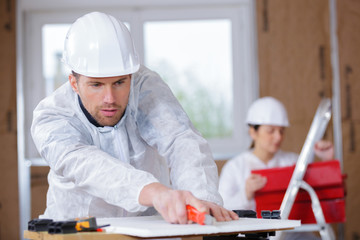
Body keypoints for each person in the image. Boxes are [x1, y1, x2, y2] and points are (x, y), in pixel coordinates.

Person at [31, 11, 238, 224]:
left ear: (131, 75)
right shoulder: (51, 117)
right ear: (74, 83)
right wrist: (154, 192)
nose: (110, 98)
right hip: (77, 229)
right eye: (96, 85)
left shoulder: (145, 87)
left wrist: (201, 198)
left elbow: (181, 140)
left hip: (148, 228)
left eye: (120, 83)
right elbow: (88, 166)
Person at [218, 96, 334, 212]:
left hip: (294, 230)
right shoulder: (234, 168)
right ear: (253, 132)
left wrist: (327, 161)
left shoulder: (294, 162)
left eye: (281, 131)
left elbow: (326, 199)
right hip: (254, 230)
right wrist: (245, 194)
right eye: (270, 131)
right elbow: (220, 210)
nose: (278, 137)